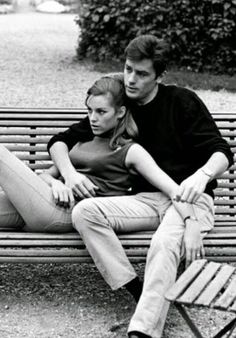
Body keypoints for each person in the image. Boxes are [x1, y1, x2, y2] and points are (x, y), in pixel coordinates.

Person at [47, 35, 233, 338]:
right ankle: (138, 292)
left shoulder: (182, 101)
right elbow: (60, 141)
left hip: (191, 200)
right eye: (128, 68)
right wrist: (69, 175)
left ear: (160, 76)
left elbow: (221, 152)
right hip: (145, 200)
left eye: (142, 73)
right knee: (86, 212)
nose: (131, 79)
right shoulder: (122, 103)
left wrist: (202, 177)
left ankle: (143, 330)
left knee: (164, 243)